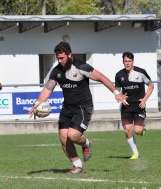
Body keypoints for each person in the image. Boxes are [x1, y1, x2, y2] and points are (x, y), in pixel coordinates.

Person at [29, 42, 127, 174]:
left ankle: (86, 143)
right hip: (67, 107)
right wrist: (36, 104)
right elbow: (48, 89)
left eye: (62, 58)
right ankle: (77, 166)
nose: (60, 61)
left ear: (70, 55)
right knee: (64, 138)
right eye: (58, 58)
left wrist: (116, 93)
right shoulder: (57, 71)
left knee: (73, 135)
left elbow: (102, 78)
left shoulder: (81, 66)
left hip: (83, 107)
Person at [115, 52, 154, 160]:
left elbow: (151, 85)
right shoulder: (119, 75)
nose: (127, 63)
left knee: (137, 131)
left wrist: (145, 99)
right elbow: (117, 92)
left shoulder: (140, 72)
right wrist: (119, 96)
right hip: (126, 106)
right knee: (127, 129)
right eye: (125, 61)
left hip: (139, 106)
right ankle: (135, 153)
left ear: (133, 61)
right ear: (123, 62)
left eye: (129, 61)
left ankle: (142, 130)